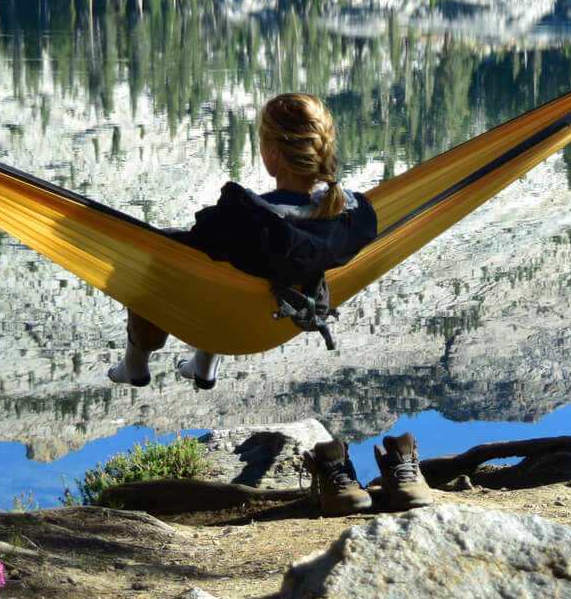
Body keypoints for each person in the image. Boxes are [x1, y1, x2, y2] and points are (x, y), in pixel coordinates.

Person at [107, 92, 377, 390]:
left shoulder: (244, 221)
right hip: (276, 321)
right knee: (223, 262)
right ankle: (204, 366)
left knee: (160, 253)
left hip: (227, 322)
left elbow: (193, 248)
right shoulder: (357, 218)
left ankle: (135, 363)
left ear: (273, 153)